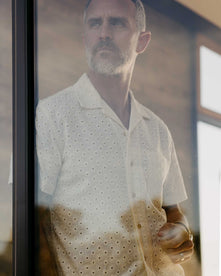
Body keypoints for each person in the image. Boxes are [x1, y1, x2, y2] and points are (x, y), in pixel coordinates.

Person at [36, 0, 194, 275]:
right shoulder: (50, 117)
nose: (104, 33)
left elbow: (174, 211)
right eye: (95, 23)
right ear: (85, 36)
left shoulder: (158, 130)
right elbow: (30, 218)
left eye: (117, 23)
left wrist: (181, 231)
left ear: (142, 41)